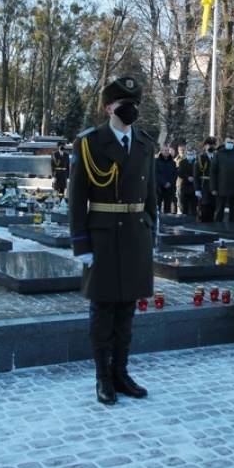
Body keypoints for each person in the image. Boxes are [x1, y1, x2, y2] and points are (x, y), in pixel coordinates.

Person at [68, 75, 156, 406]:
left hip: (135, 235)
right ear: (108, 108)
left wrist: (152, 232)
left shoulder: (145, 143)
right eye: (124, 105)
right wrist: (81, 244)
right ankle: (102, 377)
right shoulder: (89, 143)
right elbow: (77, 198)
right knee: (103, 311)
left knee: (127, 311)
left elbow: (150, 196)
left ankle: (121, 373)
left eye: (135, 104)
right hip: (102, 238)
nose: (130, 110)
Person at [210, 136, 234, 223]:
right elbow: (213, 172)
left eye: (232, 143)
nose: (230, 144)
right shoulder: (218, 154)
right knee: (219, 211)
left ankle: (233, 229)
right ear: (225, 143)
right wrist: (213, 188)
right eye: (228, 142)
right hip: (220, 188)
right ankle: (217, 227)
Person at [195, 140, 216, 223]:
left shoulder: (216, 157)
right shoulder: (201, 158)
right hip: (204, 185)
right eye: (209, 145)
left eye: (213, 145)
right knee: (204, 208)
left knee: (212, 208)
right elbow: (196, 174)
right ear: (204, 147)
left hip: (214, 186)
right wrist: (197, 188)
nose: (211, 147)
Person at [155, 145, 177, 214]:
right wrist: (164, 182)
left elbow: (175, 174)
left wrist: (170, 183)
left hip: (170, 188)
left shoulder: (173, 163)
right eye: (165, 150)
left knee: (168, 208)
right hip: (159, 187)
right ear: (161, 151)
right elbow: (155, 173)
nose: (167, 152)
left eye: (168, 150)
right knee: (157, 206)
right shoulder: (156, 161)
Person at [176, 146, 197, 219]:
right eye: (188, 154)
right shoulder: (182, 162)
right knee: (184, 205)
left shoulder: (196, 162)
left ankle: (193, 219)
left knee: (193, 205)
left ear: (193, 154)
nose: (190, 156)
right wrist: (187, 177)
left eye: (191, 154)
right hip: (185, 186)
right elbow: (179, 173)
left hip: (194, 186)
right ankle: (185, 219)